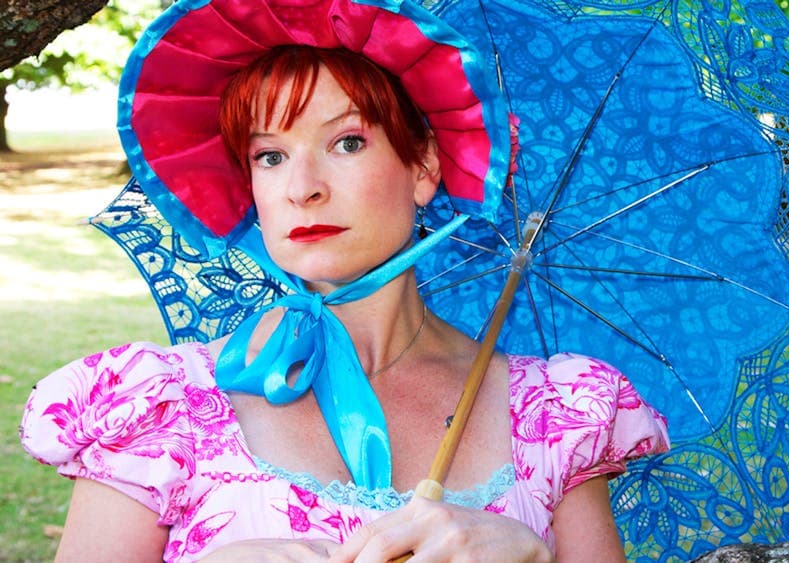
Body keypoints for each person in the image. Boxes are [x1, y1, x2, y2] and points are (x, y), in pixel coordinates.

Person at [20, 0, 669, 561]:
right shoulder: (157, 409)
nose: (302, 188)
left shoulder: (555, 413)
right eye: (270, 155)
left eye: (347, 142)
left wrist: (534, 554)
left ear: (423, 166)